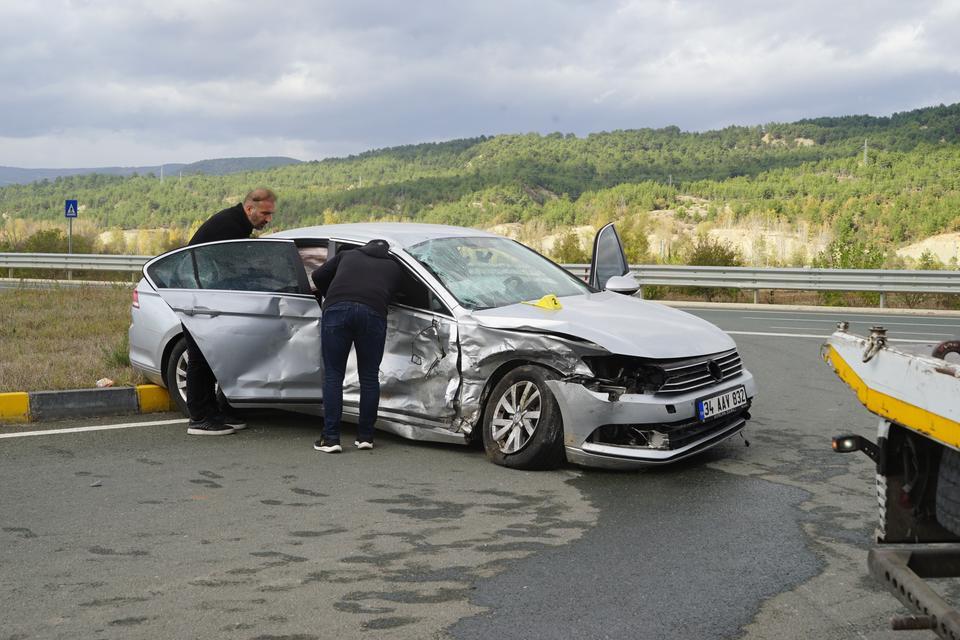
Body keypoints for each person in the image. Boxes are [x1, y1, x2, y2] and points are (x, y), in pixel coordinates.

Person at [184, 188, 277, 436]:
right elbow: (233, 268)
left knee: (216, 357)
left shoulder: (236, 224)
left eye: (271, 214)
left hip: (207, 298)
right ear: (250, 209)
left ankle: (216, 411)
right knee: (201, 358)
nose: (268, 219)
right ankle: (200, 417)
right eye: (265, 213)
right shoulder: (230, 227)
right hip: (198, 300)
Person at [311, 239, 402, 453]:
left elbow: (317, 276)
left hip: (337, 309)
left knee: (334, 375)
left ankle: (331, 438)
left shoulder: (348, 255)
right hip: (373, 313)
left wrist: (331, 293)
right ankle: (365, 437)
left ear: (364, 247)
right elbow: (401, 294)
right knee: (369, 377)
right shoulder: (394, 267)